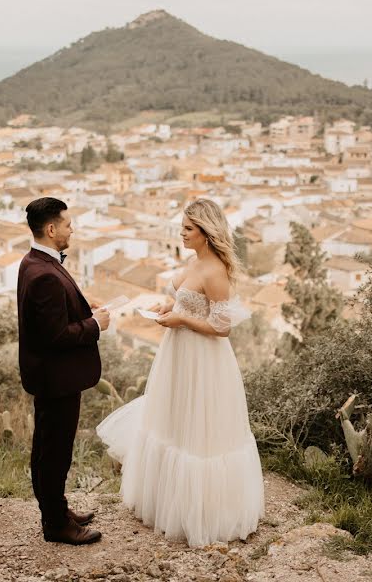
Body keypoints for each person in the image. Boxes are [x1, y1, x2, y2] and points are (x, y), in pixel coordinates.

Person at [96, 198, 265, 547]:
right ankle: (167, 504)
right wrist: (167, 306)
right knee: (173, 420)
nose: (182, 233)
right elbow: (187, 300)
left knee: (200, 429)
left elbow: (222, 327)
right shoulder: (192, 261)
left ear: (206, 232)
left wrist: (181, 319)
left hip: (204, 359)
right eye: (183, 227)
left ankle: (203, 514)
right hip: (177, 354)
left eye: (188, 228)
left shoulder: (216, 270)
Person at [17, 197, 110, 545]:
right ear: (52, 228)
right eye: (68, 224)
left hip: (48, 376)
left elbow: (52, 315)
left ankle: (57, 510)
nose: (73, 229)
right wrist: (96, 325)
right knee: (54, 453)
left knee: (48, 448)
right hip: (56, 378)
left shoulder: (34, 262)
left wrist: (85, 307)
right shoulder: (43, 273)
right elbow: (56, 335)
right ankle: (56, 524)